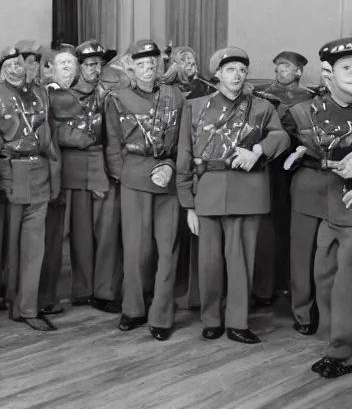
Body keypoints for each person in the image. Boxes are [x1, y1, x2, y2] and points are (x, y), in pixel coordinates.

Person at [175, 46, 289, 344]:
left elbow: (281, 136)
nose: (236, 75)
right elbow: (185, 155)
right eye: (229, 70)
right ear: (217, 74)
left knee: (241, 261)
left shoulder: (262, 107)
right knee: (209, 262)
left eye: (241, 70)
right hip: (209, 190)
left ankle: (238, 322)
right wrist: (188, 204)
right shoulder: (195, 106)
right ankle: (211, 319)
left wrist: (257, 151)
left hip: (247, 190)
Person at [104, 39, 184, 341]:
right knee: (136, 248)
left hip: (168, 177)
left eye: (153, 62)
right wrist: (121, 175)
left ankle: (162, 314)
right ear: (131, 67)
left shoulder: (175, 96)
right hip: (134, 175)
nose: (149, 67)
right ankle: (133, 308)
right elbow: (112, 143)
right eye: (142, 63)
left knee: (168, 248)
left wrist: (173, 168)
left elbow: (183, 142)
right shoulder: (117, 98)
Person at [0, 45, 60, 331]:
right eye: (8, 64)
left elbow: (48, 139)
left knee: (34, 247)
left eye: (18, 63)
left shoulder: (41, 93)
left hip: (38, 174)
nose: (15, 69)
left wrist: (53, 174)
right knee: (9, 247)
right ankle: (11, 301)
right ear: (0, 69)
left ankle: (27, 307)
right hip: (11, 176)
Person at [40, 41, 123, 316]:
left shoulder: (111, 92)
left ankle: (105, 291)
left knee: (108, 233)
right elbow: (53, 132)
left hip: (105, 167)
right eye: (89, 64)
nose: (95, 69)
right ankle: (84, 291)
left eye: (100, 64)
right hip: (73, 170)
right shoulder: (61, 95)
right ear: (79, 67)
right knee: (80, 235)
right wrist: (82, 139)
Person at [282, 52, 346, 337]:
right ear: (326, 75)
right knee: (303, 254)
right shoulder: (301, 110)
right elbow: (282, 149)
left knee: (337, 262)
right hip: (310, 186)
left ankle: (334, 317)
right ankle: (303, 313)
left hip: (344, 192)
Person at [253, 51, 315, 307]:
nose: (280, 70)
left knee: (294, 226)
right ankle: (264, 289)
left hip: (300, 166)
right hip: (271, 165)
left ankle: (291, 286)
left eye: (286, 66)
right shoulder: (263, 96)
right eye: (277, 66)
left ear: (299, 72)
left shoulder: (311, 98)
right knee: (268, 225)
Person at [308, 36, 352, 378]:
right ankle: (335, 338)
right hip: (331, 206)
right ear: (330, 72)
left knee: (345, 284)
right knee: (324, 276)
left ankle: (341, 350)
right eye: (346, 68)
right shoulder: (319, 108)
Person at [161, 46, 215, 310]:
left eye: (193, 59)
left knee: (196, 233)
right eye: (184, 60)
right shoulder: (164, 90)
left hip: (198, 167)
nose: (190, 64)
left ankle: (196, 293)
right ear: (173, 64)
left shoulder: (207, 89)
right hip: (168, 166)